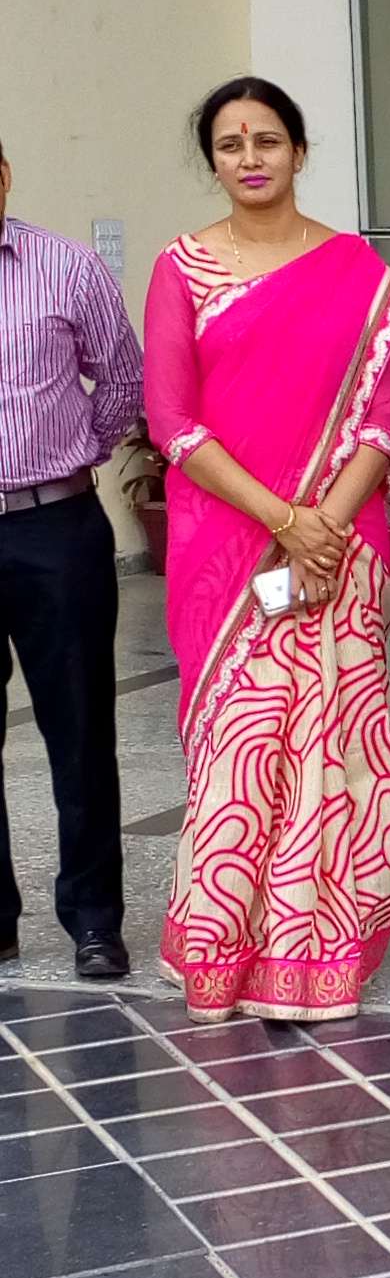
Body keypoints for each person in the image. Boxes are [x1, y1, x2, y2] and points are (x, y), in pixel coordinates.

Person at [143, 79, 390, 1023]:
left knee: (330, 749)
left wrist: (322, 528)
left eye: (267, 140)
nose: (250, 158)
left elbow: (385, 419)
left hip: (338, 551)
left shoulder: (358, 273)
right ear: (213, 161)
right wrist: (283, 521)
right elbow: (172, 420)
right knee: (239, 751)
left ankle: (316, 954)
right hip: (228, 550)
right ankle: (225, 950)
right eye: (230, 145)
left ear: (300, 151)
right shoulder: (182, 269)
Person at [0, 127, 143, 981]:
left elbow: (121, 378)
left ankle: (94, 920)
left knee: (80, 728)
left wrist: (69, 459)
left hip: (54, 526)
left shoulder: (65, 267)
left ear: (5, 175)